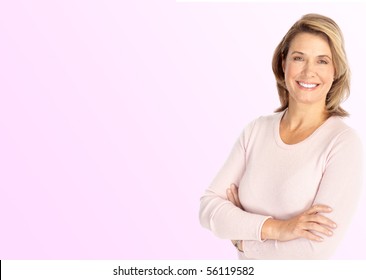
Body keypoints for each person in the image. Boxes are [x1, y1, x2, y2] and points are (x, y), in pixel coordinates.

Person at [199, 13, 363, 259]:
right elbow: (208, 209)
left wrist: (242, 238)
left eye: (322, 61)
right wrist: (280, 228)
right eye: (299, 58)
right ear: (283, 63)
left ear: (335, 70)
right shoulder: (257, 130)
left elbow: (314, 250)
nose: (309, 72)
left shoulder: (342, 143)